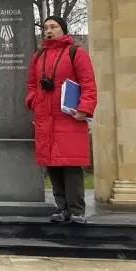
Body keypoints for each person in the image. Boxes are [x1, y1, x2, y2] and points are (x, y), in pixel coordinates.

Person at [26, 16, 97, 224]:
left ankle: (76, 210)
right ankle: (62, 208)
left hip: (70, 118)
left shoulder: (77, 53)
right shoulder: (39, 56)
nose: (49, 30)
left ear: (63, 30)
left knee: (71, 165)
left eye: (53, 27)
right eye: (46, 27)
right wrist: (34, 102)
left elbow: (88, 84)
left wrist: (84, 109)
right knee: (52, 165)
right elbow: (32, 85)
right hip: (45, 119)